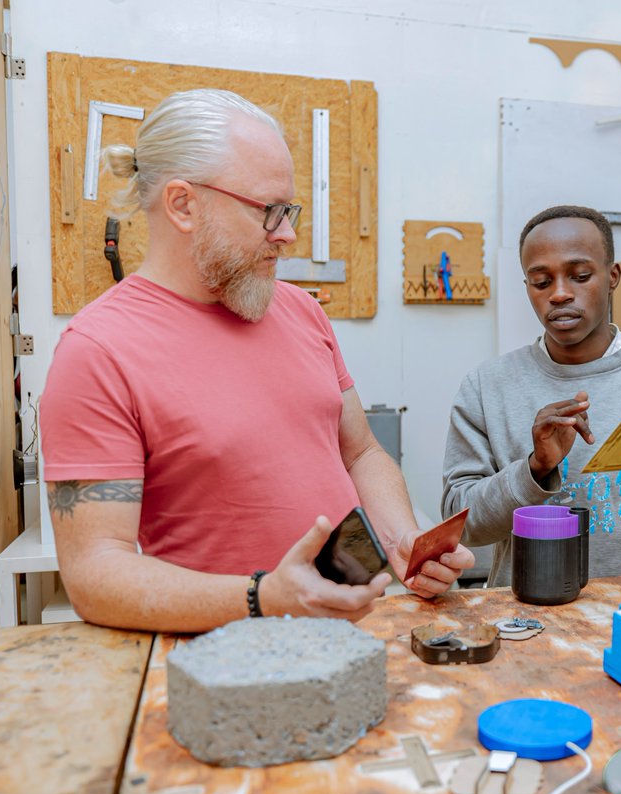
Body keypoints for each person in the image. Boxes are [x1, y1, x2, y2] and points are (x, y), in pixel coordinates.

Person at [40, 89, 472, 633]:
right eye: (269, 212)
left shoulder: (298, 311)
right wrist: (263, 597)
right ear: (183, 204)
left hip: (355, 635)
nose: (288, 234)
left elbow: (359, 451)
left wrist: (403, 539)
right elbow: (95, 576)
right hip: (224, 665)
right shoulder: (98, 351)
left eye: (287, 210)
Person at [441, 205, 621, 586]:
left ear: (612, 276)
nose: (560, 294)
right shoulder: (486, 387)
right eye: (541, 282)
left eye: (580, 276)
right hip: (528, 625)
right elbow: (461, 526)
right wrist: (532, 469)